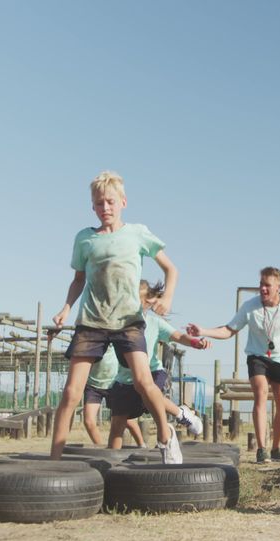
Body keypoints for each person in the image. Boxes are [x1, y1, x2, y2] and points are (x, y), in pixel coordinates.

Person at [48, 170, 182, 463]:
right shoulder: (85, 239)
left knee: (144, 382)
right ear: (92, 207)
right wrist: (65, 308)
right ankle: (54, 461)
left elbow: (171, 270)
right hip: (92, 322)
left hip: (128, 322)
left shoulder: (137, 234)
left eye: (110, 202)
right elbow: (78, 279)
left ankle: (165, 435)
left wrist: (167, 297)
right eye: (99, 204)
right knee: (72, 392)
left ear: (123, 201)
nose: (105, 208)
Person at [187, 267, 280, 464]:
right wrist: (204, 331)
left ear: (278, 287)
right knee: (261, 393)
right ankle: (261, 449)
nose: (263, 289)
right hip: (257, 357)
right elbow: (228, 330)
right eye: (261, 284)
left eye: (267, 285)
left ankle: (276, 448)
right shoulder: (249, 307)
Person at [108, 280, 208, 448]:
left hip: (152, 372)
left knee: (151, 396)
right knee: (118, 422)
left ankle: (176, 421)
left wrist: (195, 342)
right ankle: (111, 460)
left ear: (146, 303)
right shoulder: (117, 322)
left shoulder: (154, 323)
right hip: (125, 379)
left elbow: (178, 336)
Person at [81, 347, 145, 446]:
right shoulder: (90, 341)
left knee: (127, 420)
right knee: (89, 421)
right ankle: (102, 449)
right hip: (92, 385)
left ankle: (142, 445)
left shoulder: (115, 339)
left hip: (113, 383)